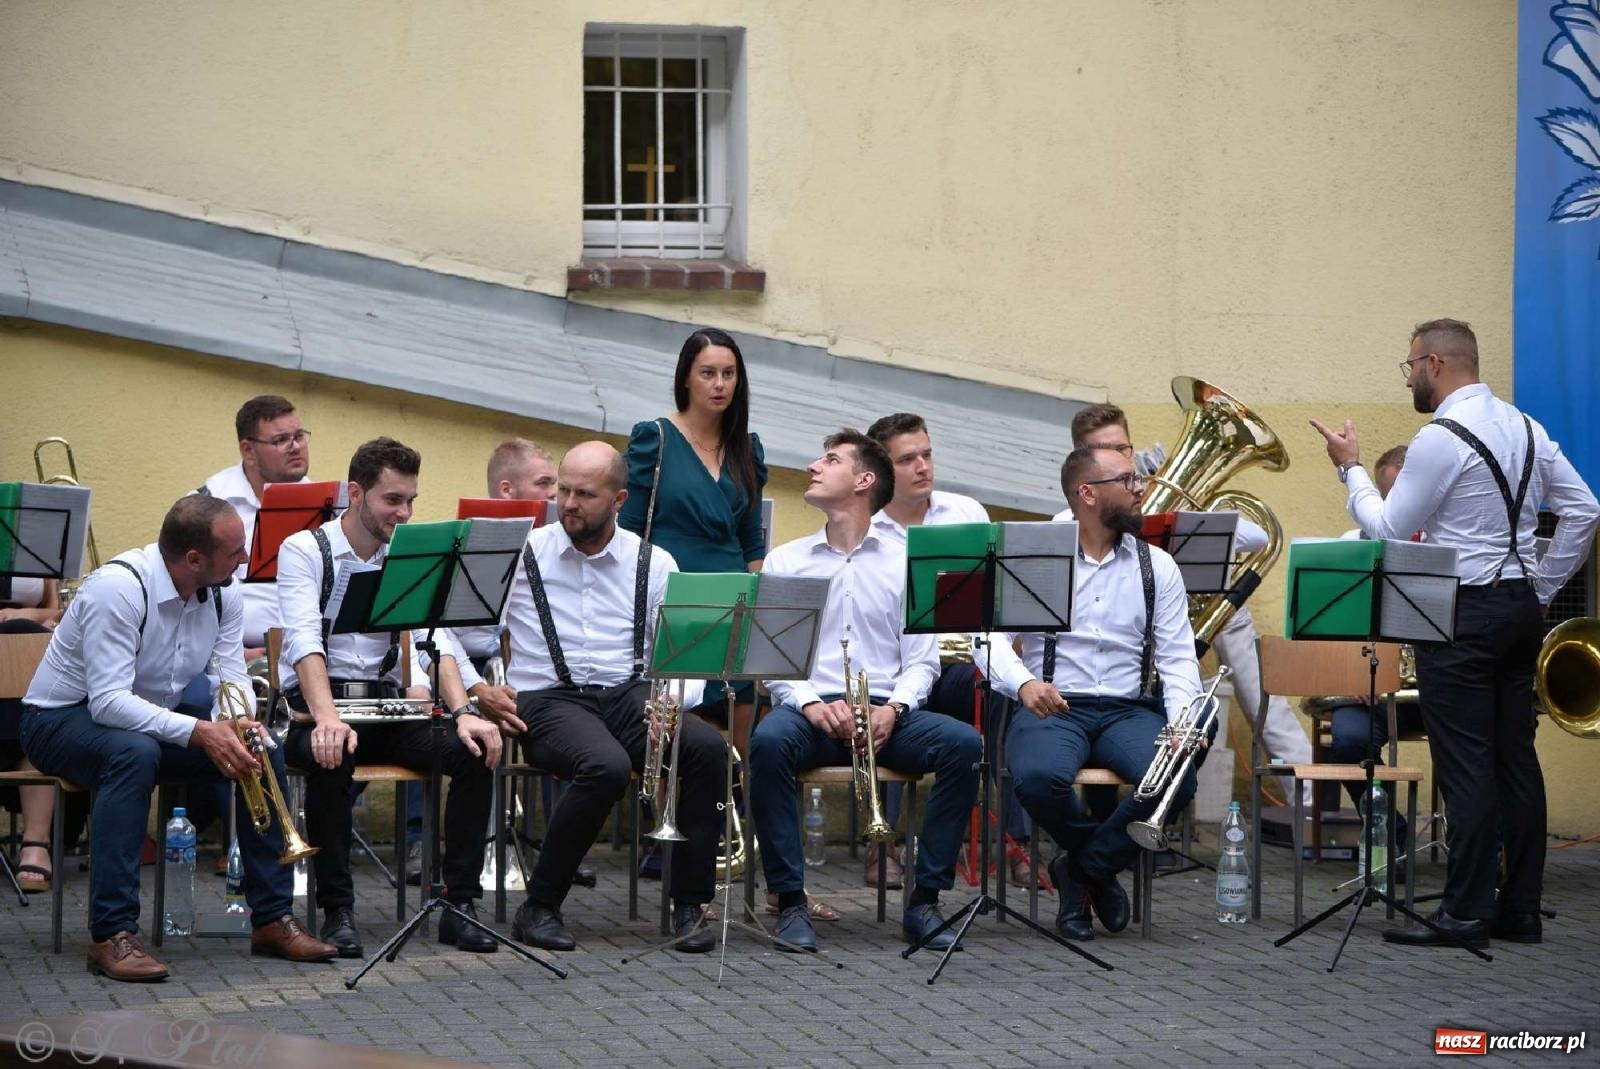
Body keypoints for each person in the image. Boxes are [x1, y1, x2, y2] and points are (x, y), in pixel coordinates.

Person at [1312, 317, 1599, 948]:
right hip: (1521, 608)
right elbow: (1585, 509)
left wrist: (1351, 469)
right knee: (1516, 762)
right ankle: (1520, 909)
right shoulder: (1528, 427)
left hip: (1463, 610)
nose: (1409, 375)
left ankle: (1465, 912)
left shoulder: (1440, 438)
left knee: (1467, 765)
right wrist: (1541, 585)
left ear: (1435, 363)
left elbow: (1386, 529)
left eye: (1410, 364)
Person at [21, 496, 338, 981]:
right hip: (60, 718)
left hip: (150, 717)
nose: (245, 560)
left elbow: (229, 678)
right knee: (133, 753)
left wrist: (235, 723)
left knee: (259, 746)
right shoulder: (117, 590)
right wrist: (199, 731)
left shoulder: (222, 592)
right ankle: (112, 934)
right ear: (194, 559)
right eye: (235, 551)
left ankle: (273, 919)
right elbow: (107, 702)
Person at [749, 429, 980, 954]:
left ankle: (924, 903)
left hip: (884, 713)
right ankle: (789, 902)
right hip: (815, 712)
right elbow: (774, 662)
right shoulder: (786, 561)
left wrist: (894, 710)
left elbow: (923, 664)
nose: (813, 465)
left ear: (863, 480)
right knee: (767, 743)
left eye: (829, 460)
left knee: (963, 744)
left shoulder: (905, 562)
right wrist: (809, 703)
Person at [278, 437, 503, 958]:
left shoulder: (409, 551)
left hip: (384, 707)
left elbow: (436, 641)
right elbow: (303, 641)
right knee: (331, 754)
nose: (403, 513)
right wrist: (328, 719)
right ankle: (338, 912)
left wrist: (466, 714)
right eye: (392, 500)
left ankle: (459, 906)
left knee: (473, 752)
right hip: (317, 710)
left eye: (410, 501)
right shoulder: (304, 549)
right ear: (355, 494)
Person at [504, 442, 728, 954]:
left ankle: (689, 904)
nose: (569, 503)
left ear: (619, 498)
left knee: (706, 749)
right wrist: (477, 691)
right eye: (563, 490)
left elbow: (685, 657)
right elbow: (457, 629)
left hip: (631, 694)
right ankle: (539, 905)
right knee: (603, 766)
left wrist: (672, 706)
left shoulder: (653, 560)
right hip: (548, 698)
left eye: (585, 493)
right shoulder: (525, 553)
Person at [988, 446, 1206, 941]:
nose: (1141, 489)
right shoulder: (1038, 554)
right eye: (1127, 481)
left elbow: (1176, 660)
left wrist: (1182, 724)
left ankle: (1081, 872)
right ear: (1087, 493)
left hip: (1129, 710)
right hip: (1055, 704)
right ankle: (1100, 871)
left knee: (1178, 779)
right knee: (1039, 778)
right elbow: (990, 639)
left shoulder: (1158, 566)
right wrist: (1023, 683)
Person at [1067, 403, 1315, 809]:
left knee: (1260, 695)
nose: (1120, 459)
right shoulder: (1077, 510)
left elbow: (1258, 537)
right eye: (1102, 449)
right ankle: (1116, 819)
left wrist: (1179, 516)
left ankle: (1310, 805)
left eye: (1123, 447)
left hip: (1199, 607)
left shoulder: (1159, 481)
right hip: (1126, 640)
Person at [865, 412, 1036, 892]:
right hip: (898, 671)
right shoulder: (867, 525)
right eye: (907, 459)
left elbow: (992, 609)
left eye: (927, 454)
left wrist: (1009, 669)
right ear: (879, 471)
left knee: (1004, 698)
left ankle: (1015, 843)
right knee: (882, 703)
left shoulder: (966, 513)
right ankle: (884, 844)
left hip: (961, 665)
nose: (923, 466)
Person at [618, 327, 768, 752]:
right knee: (677, 725)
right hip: (673, 594)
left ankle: (738, 802)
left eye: (729, 373)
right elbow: (628, 531)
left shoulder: (747, 447)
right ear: (686, 377)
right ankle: (668, 813)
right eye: (707, 373)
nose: (720, 385)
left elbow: (752, 543)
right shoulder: (656, 437)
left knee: (746, 705)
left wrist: (761, 608)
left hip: (733, 597)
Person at [1325, 446, 1424, 821]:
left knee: (1470, 744)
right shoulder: (1353, 546)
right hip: (1369, 692)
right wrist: (1351, 666)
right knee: (1349, 742)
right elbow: (1327, 626)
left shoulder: (1446, 543)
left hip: (1434, 690)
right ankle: (1389, 833)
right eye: (1386, 498)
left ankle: (1480, 849)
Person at [194, 394, 311, 662]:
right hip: (231, 654)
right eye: (281, 440)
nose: (295, 447)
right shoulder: (208, 503)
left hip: (304, 650)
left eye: (299, 436)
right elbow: (186, 593)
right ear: (248, 451)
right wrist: (230, 653)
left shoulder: (327, 503)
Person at [1, 577, 67, 891]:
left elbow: (55, 609)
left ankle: (35, 842)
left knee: (26, 638)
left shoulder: (35, 535)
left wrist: (24, 615)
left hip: (24, 642)